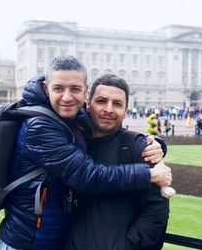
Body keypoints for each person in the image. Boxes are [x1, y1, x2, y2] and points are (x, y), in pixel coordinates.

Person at [0, 56, 172, 250]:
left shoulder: (72, 117)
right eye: (58, 88)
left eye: (75, 89)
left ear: (84, 93)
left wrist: (151, 144)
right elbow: (88, 176)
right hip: (26, 242)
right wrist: (149, 174)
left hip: (54, 240)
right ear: (46, 89)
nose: (67, 97)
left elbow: (156, 212)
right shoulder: (40, 126)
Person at [66, 74, 169, 249]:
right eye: (101, 101)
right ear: (88, 104)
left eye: (117, 104)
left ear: (126, 110)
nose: (109, 109)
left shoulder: (139, 148)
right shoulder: (73, 142)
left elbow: (156, 212)